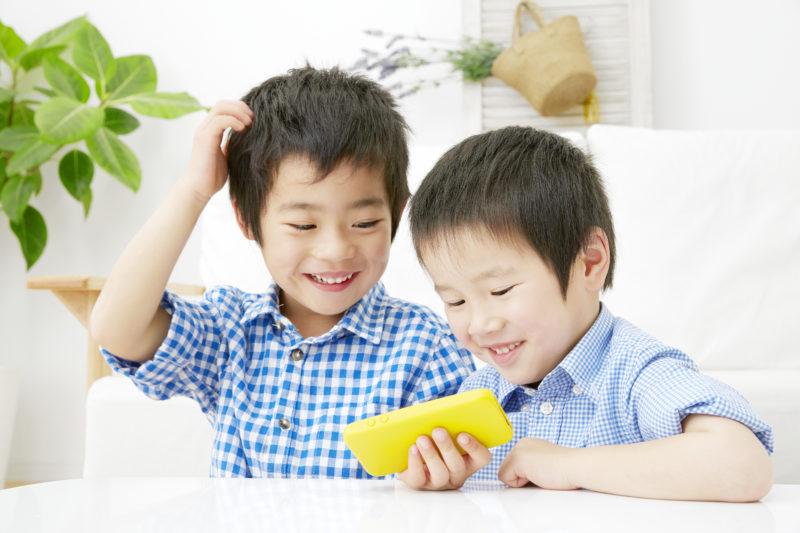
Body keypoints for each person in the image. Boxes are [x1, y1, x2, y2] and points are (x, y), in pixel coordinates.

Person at [89, 66, 474, 478]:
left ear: (396, 216)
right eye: (303, 226)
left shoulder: (426, 347)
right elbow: (116, 330)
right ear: (248, 222)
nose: (335, 250)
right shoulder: (230, 330)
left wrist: (441, 482)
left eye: (364, 224)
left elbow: (452, 487)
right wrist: (194, 190)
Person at [398, 126, 773, 501]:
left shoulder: (638, 373)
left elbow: (743, 466)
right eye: (455, 302)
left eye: (501, 291)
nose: (480, 325)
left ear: (589, 262)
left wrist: (568, 465)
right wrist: (444, 482)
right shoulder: (480, 395)